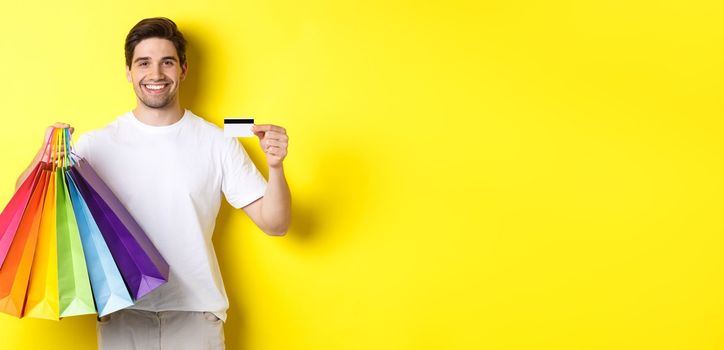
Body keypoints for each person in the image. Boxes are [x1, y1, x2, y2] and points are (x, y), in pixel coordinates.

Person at [15, 17, 291, 349]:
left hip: (196, 314)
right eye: (144, 63)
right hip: (122, 313)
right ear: (129, 72)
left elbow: (275, 223)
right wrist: (45, 153)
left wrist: (275, 167)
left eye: (167, 63)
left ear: (183, 69)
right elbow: (27, 207)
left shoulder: (217, 143)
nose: (156, 74)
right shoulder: (95, 146)